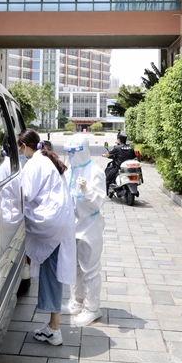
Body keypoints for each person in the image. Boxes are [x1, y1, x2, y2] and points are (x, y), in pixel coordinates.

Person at [18, 128, 76, 346]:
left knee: (52, 274)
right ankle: (53, 325)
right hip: (58, 222)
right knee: (53, 272)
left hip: (51, 224)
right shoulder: (45, 159)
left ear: (25, 146)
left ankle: (54, 329)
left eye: (19, 147)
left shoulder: (34, 164)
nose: (19, 152)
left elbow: (25, 194)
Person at [61, 134, 106, 327]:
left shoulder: (95, 172)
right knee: (76, 268)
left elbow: (98, 202)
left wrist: (87, 190)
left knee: (90, 269)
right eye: (69, 153)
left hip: (89, 227)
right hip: (73, 226)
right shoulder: (71, 169)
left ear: (84, 151)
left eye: (74, 153)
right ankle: (78, 301)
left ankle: (93, 308)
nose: (71, 156)